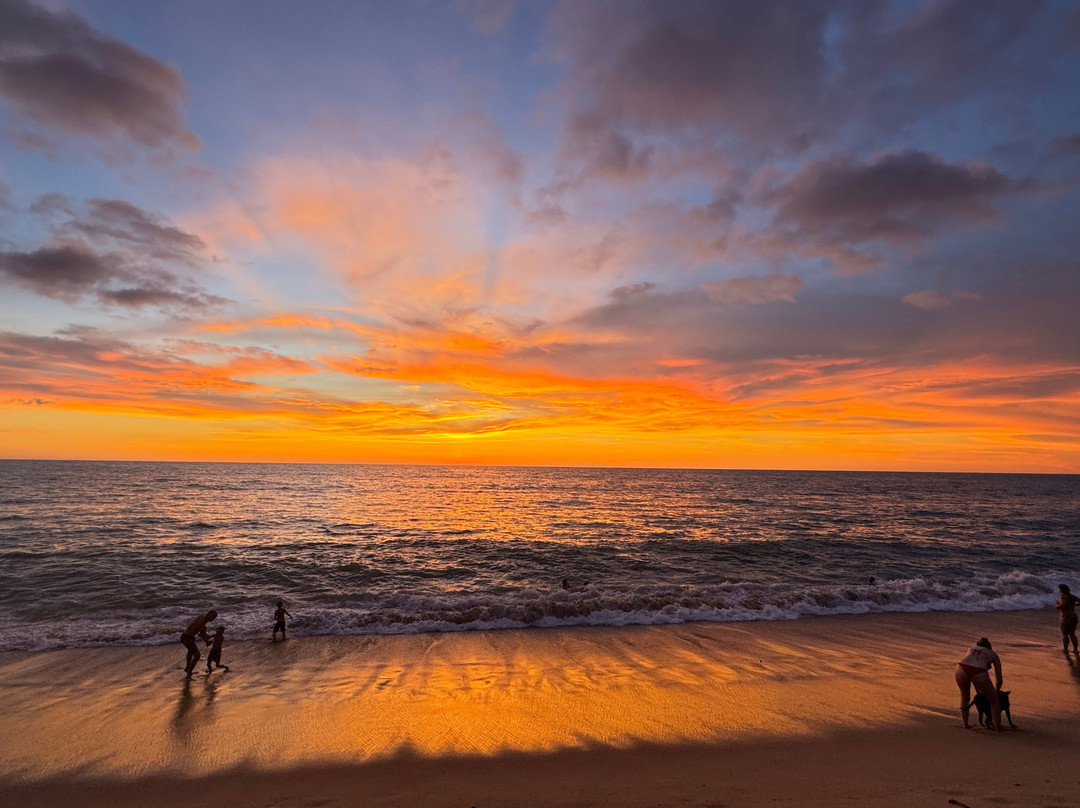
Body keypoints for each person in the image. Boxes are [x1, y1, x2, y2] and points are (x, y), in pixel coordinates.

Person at [955, 637, 1004, 730]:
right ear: (989, 647)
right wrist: (996, 690)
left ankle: (965, 724)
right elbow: (999, 678)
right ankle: (998, 726)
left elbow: (972, 666)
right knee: (994, 700)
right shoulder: (993, 654)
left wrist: (979, 689)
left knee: (964, 696)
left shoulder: (971, 648)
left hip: (961, 667)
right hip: (978, 671)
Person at [180, 609, 217, 679]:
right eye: (212, 616)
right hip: (187, 638)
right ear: (208, 614)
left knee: (190, 651)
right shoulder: (202, 623)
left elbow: (196, 628)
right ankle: (189, 673)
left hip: (185, 636)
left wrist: (207, 636)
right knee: (197, 655)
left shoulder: (201, 616)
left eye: (214, 617)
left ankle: (188, 668)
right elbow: (203, 634)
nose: (212, 618)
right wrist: (207, 641)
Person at [1057, 583, 1079, 654]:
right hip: (1073, 616)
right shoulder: (1071, 596)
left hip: (1066, 617)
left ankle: (1065, 649)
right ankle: (1075, 649)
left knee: (1065, 634)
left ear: (1061, 590)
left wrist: (1058, 606)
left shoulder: (1063, 596)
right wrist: (1074, 605)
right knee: (1072, 633)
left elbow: (1064, 604)